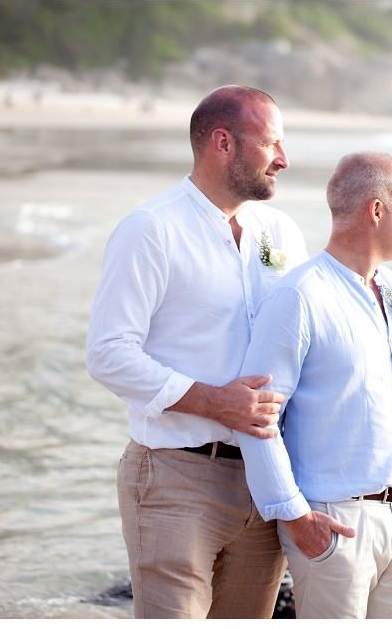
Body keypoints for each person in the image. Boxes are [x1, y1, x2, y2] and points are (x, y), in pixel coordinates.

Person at [85, 85, 308, 619]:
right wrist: (214, 402)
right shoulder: (151, 229)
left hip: (267, 481)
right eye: (271, 143)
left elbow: (306, 345)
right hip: (175, 478)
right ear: (222, 143)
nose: (284, 159)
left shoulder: (280, 232)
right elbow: (108, 352)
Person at [236, 152, 392, 619]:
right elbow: (257, 417)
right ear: (377, 210)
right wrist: (294, 515)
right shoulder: (298, 297)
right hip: (338, 526)